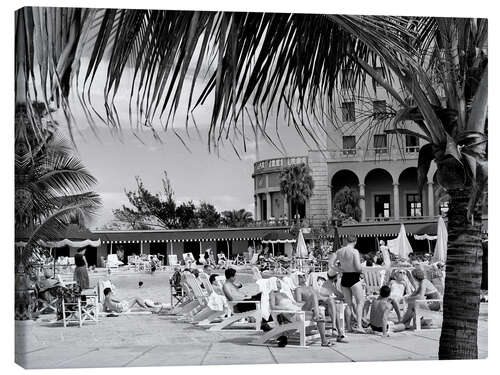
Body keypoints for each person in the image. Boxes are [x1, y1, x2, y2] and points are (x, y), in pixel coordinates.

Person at [295, 272, 335, 346]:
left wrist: (320, 300)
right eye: (300, 276)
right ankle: (317, 314)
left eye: (303, 275)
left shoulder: (311, 288)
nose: (303, 277)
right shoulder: (298, 289)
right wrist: (311, 301)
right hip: (305, 308)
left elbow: (319, 296)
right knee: (314, 296)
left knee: (329, 302)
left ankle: (326, 338)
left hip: (314, 307)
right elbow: (298, 303)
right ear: (296, 279)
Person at [336, 235, 365, 333]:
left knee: (348, 304)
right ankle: (359, 326)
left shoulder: (339, 251)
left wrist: (340, 270)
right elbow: (357, 267)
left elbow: (331, 264)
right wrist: (362, 270)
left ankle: (348, 326)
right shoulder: (354, 251)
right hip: (354, 277)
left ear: (346, 241)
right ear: (355, 241)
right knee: (360, 302)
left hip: (344, 277)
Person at [317, 271, 350, 342]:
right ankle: (335, 329)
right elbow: (340, 295)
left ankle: (338, 333)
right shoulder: (329, 284)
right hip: (321, 303)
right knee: (334, 305)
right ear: (335, 277)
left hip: (326, 303)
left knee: (336, 308)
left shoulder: (329, 283)